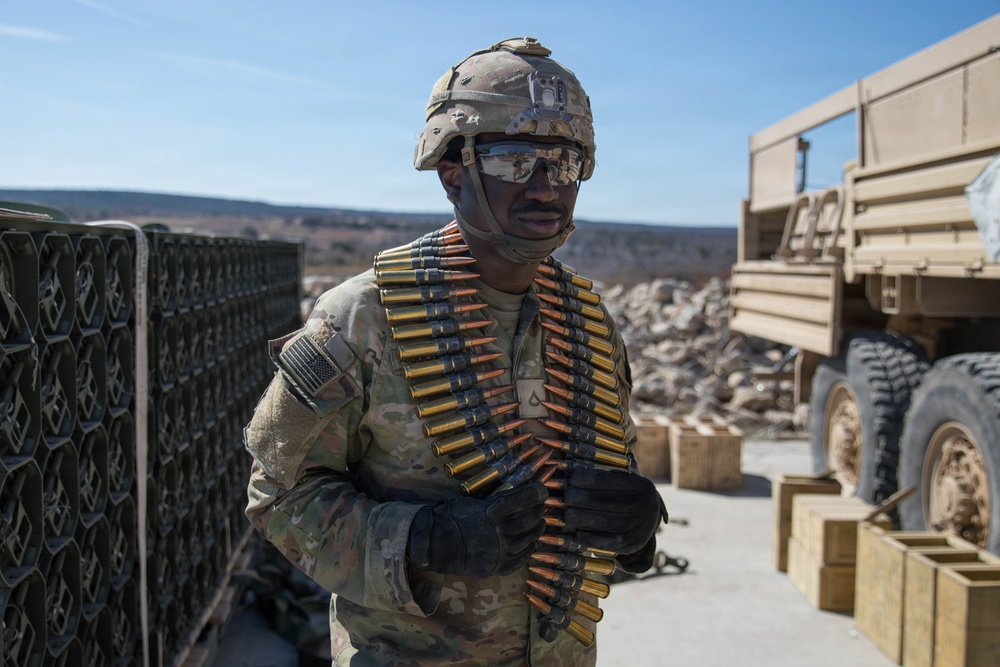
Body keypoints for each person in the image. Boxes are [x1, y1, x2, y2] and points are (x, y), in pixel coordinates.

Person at [244, 36, 665, 666]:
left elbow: (609, 467)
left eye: (567, 163)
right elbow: (278, 496)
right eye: (516, 161)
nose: (547, 188)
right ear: (453, 172)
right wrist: (418, 539)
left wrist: (636, 526)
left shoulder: (588, 320)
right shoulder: (363, 317)